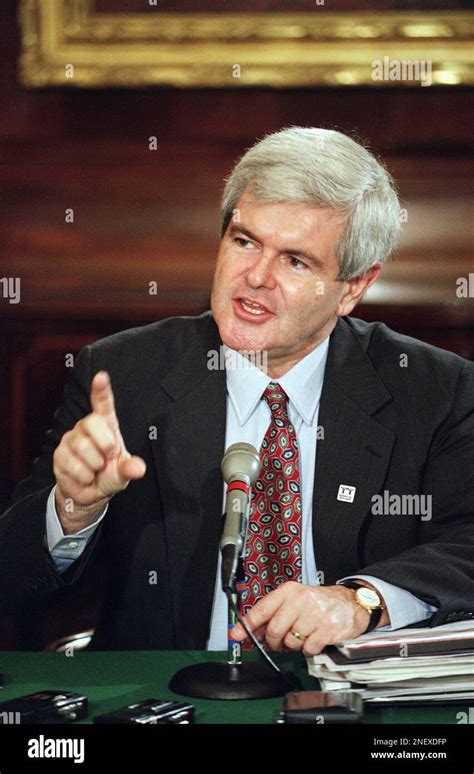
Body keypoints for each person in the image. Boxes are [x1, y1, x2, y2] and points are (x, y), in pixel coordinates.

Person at [1, 127, 473, 654]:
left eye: (295, 261)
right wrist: (72, 509)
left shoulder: (434, 390)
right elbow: (11, 581)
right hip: (171, 697)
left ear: (354, 287)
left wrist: (362, 600)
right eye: (245, 241)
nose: (255, 277)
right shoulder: (123, 374)